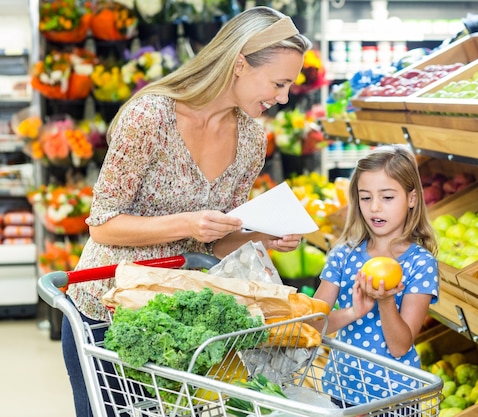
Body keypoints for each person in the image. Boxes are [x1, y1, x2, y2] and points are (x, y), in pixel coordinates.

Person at [61, 6, 311, 417]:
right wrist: (187, 223)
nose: (283, 97)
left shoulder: (251, 139)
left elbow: (217, 237)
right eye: (279, 83)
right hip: (108, 310)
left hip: (185, 320)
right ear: (240, 65)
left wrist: (261, 235)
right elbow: (103, 225)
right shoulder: (151, 116)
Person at [313, 144, 439, 408]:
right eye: (366, 197)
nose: (375, 208)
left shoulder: (420, 263)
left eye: (388, 197)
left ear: (412, 198)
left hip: (396, 399)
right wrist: (352, 313)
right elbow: (313, 325)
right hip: (342, 388)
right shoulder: (343, 255)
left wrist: (385, 301)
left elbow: (400, 347)